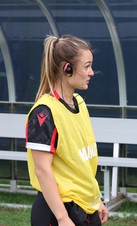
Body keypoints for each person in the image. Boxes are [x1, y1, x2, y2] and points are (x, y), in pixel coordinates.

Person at [26, 34, 108, 226]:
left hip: (85, 207)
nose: (92, 72)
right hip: (59, 212)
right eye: (87, 66)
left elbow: (81, 163)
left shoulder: (79, 102)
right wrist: (63, 218)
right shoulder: (44, 113)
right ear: (67, 69)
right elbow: (42, 170)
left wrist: (96, 199)